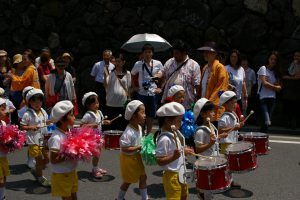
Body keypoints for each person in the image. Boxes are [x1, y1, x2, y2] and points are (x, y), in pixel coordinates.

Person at [155, 102, 194, 200]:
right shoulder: (164, 139)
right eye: (179, 120)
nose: (181, 123)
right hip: (172, 175)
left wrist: (184, 151)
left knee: (184, 196)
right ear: (168, 121)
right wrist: (173, 157)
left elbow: (176, 151)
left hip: (181, 172)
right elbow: (159, 160)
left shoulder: (174, 133)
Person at [116, 100, 148, 200]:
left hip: (136, 157)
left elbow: (140, 140)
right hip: (128, 159)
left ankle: (145, 198)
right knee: (128, 181)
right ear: (133, 115)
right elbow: (124, 148)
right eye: (142, 112)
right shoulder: (128, 132)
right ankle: (119, 198)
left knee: (143, 177)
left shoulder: (139, 127)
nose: (145, 115)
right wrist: (138, 147)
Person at [157, 40, 201, 109]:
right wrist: (157, 76)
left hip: (186, 103)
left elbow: (197, 85)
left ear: (184, 53)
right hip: (169, 102)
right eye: (173, 53)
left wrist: (197, 99)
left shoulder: (194, 65)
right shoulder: (170, 62)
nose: (174, 56)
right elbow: (162, 72)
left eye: (177, 53)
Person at [48, 101, 78, 200]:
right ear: (62, 119)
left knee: (74, 196)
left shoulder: (69, 131)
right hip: (62, 174)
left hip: (71, 171)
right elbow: (53, 160)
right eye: (71, 115)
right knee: (67, 198)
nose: (74, 117)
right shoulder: (56, 137)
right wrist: (69, 154)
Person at [20, 89, 50, 187]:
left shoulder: (43, 111)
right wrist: (30, 127)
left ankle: (38, 170)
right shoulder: (27, 114)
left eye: (39, 101)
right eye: (34, 101)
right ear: (29, 102)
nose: (37, 103)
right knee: (39, 159)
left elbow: (47, 122)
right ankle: (40, 177)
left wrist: (51, 123)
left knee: (47, 158)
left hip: (43, 139)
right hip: (33, 140)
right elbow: (22, 126)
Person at [131, 44, 163, 134]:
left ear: (152, 53)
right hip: (141, 93)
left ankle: (148, 135)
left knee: (150, 115)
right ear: (142, 53)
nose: (148, 54)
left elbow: (162, 74)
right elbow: (132, 74)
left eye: (149, 52)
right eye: (146, 52)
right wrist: (134, 87)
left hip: (152, 93)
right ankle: (141, 134)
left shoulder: (158, 63)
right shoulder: (138, 64)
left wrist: (160, 87)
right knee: (140, 114)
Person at [81, 92, 111, 178]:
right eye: (94, 103)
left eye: (97, 102)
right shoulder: (88, 115)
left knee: (98, 154)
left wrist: (106, 122)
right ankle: (94, 169)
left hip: (99, 136)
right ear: (88, 105)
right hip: (91, 138)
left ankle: (96, 167)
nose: (97, 105)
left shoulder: (99, 112)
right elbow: (81, 125)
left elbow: (101, 122)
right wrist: (91, 125)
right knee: (96, 154)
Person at [197, 42, 229, 123]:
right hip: (204, 106)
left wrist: (209, 104)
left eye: (208, 52)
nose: (205, 54)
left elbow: (220, 88)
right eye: (204, 52)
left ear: (215, 54)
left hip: (212, 107)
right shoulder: (205, 68)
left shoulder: (220, 68)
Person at [193, 98, 218, 200]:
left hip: (213, 161)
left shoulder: (212, 126)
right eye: (211, 111)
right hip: (205, 163)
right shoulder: (200, 131)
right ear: (203, 114)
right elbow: (198, 150)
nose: (213, 113)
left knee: (212, 187)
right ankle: (202, 194)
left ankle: (203, 194)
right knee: (209, 189)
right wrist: (210, 143)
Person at [218, 91, 244, 188]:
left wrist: (237, 134)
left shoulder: (233, 114)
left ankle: (229, 180)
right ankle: (226, 181)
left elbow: (233, 130)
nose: (235, 105)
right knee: (226, 163)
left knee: (230, 163)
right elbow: (220, 131)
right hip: (226, 143)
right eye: (232, 103)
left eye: (235, 102)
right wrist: (234, 128)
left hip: (232, 142)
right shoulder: (224, 116)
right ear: (225, 104)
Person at [104, 53, 131, 131]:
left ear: (123, 62)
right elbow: (106, 85)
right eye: (116, 61)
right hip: (111, 103)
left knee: (121, 126)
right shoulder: (111, 73)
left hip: (122, 103)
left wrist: (129, 98)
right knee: (110, 126)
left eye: (119, 61)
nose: (118, 63)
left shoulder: (127, 73)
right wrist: (105, 75)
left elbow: (128, 88)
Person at [257, 51, 282, 133]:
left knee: (266, 123)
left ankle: (262, 141)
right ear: (268, 59)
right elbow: (264, 83)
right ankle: (262, 141)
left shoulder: (276, 72)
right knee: (267, 120)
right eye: (271, 59)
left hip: (272, 98)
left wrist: (271, 85)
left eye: (275, 59)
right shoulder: (263, 68)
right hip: (263, 98)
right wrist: (274, 86)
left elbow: (279, 86)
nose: (273, 61)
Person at [9, 54, 25, 124]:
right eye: (19, 62)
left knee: (22, 112)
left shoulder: (26, 70)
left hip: (22, 93)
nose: (21, 63)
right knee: (14, 112)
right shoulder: (12, 71)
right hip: (14, 94)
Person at [0, 98, 10, 200]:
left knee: (4, 177)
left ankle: (2, 195)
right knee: (0, 181)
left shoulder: (3, 123)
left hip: (3, 156)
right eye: (3, 109)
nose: (5, 111)